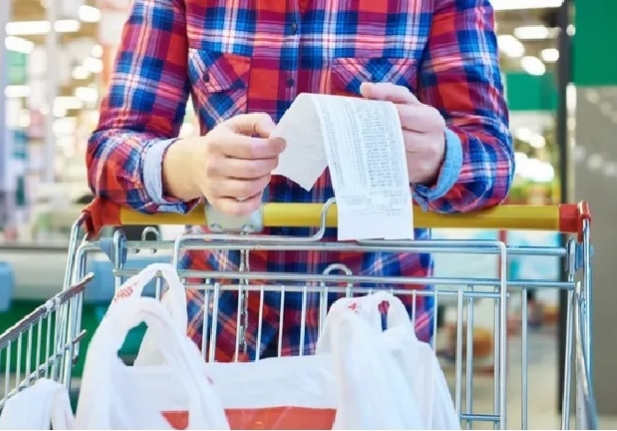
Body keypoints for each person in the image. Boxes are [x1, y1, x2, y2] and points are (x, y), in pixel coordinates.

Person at [87, 0, 515, 361]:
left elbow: (493, 158)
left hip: (374, 340)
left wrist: (438, 156)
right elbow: (109, 151)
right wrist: (190, 164)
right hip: (219, 332)